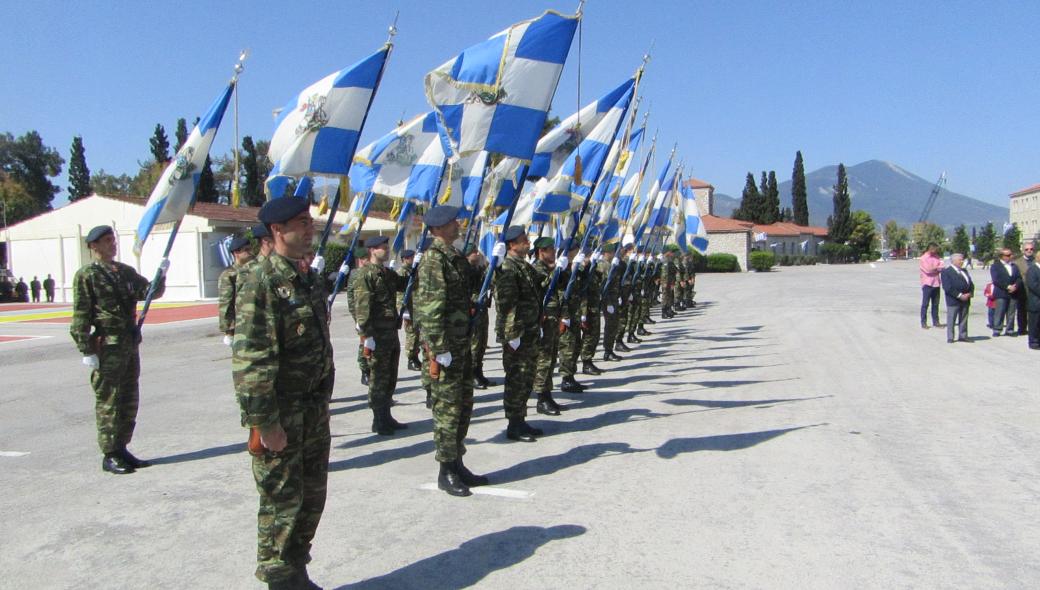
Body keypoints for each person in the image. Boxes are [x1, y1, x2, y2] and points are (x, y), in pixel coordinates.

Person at [232, 197, 334, 590]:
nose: (309, 229)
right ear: (277, 231)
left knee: (311, 499)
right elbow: (251, 361)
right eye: (300, 223)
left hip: (312, 411)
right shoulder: (260, 281)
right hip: (282, 415)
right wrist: (265, 422)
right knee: (280, 505)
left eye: (310, 222)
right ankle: (278, 579)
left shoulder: (305, 277)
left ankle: (296, 571)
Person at [69, 225, 167, 474]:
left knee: (128, 398)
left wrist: (161, 275)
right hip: (107, 346)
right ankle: (109, 453)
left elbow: (148, 293)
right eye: (106, 241)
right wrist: (86, 349)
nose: (113, 244)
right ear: (93, 246)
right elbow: (81, 314)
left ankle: (122, 447)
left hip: (129, 344)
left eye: (113, 239)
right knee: (108, 400)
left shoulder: (125, 272)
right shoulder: (87, 275)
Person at [413, 205, 488, 497]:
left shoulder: (454, 257)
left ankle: (457, 462)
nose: (458, 224)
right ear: (439, 227)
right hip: (446, 349)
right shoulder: (434, 260)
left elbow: (468, 289)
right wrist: (439, 348)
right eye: (452, 221)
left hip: (461, 344)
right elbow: (430, 308)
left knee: (463, 406)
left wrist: (485, 265)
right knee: (447, 410)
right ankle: (446, 470)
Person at [353, 235, 410, 435]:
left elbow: (405, 284)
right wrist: (366, 336)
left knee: (390, 375)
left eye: (386, 247)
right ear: (371, 251)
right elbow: (362, 307)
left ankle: (387, 415)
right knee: (378, 377)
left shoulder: (387, 273)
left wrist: (416, 265)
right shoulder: (365, 275)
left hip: (390, 332)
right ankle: (378, 420)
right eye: (381, 248)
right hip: (376, 334)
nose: (386, 250)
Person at [493, 226, 542, 442]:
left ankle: (521, 419)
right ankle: (513, 424)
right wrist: (512, 333)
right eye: (524, 240)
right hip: (518, 333)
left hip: (529, 330)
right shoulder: (507, 267)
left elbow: (539, 288)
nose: (528, 243)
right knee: (516, 378)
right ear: (512, 244)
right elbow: (506, 303)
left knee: (527, 376)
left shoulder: (523, 266)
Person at [531, 236, 570, 411]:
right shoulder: (536, 269)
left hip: (554, 317)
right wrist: (556, 271)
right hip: (544, 318)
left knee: (552, 356)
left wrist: (566, 268)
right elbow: (543, 286)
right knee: (544, 358)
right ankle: (541, 397)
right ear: (541, 252)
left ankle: (548, 394)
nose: (554, 252)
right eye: (551, 250)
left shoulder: (549, 267)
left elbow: (562, 285)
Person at [466, 244, 496, 389]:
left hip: (481, 309)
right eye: (473, 252)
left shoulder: (478, 268)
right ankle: (471, 374)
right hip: (472, 310)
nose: (477, 254)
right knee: (474, 344)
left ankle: (479, 372)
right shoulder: (465, 271)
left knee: (482, 343)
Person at [218, 235, 254, 344]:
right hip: (240, 325)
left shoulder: (255, 271)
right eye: (246, 250)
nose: (250, 252)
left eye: (250, 249)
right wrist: (229, 329)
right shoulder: (229, 275)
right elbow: (226, 302)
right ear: (236, 253)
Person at [346, 246, 370, 386]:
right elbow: (350, 298)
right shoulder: (355, 274)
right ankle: (364, 370)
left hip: (372, 316)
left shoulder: (370, 272)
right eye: (366, 258)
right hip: (361, 316)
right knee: (364, 344)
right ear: (361, 260)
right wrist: (356, 318)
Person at [579, 246, 606, 375]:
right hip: (587, 308)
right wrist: (583, 313)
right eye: (588, 255)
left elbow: (602, 277)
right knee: (588, 336)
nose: (590, 258)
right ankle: (586, 363)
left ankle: (589, 361)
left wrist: (595, 263)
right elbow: (582, 290)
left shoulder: (592, 269)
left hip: (595, 307)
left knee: (594, 336)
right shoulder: (582, 270)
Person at [396, 249, 422, 371]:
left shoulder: (413, 270)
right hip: (408, 309)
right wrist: (404, 313)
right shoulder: (402, 272)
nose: (413, 259)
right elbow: (401, 295)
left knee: (417, 334)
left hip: (416, 308)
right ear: (405, 259)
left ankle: (415, 357)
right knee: (411, 334)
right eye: (411, 257)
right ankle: (411, 359)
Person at [598, 243, 624, 361]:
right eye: (613, 252)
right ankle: (607, 351)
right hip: (608, 300)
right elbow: (603, 287)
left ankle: (610, 350)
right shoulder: (603, 266)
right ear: (607, 253)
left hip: (613, 299)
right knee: (610, 325)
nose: (615, 254)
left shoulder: (611, 265)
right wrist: (608, 303)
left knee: (614, 325)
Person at [940, 253, 974, 343]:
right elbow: (947, 287)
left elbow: (970, 283)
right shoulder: (946, 272)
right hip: (953, 300)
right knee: (951, 318)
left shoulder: (964, 271)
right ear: (953, 261)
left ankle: (963, 335)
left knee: (963, 318)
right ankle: (950, 337)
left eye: (962, 259)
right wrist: (959, 295)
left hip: (966, 299)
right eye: (960, 260)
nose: (962, 261)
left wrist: (970, 293)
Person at [989, 248, 1022, 337]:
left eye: (1011, 254)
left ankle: (1010, 329)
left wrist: (1015, 286)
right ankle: (997, 329)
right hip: (1001, 292)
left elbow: (1019, 277)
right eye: (1008, 255)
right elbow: (996, 280)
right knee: (1000, 311)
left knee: (1011, 312)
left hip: (1013, 292)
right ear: (1002, 256)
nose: (1010, 256)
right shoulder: (995, 266)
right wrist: (1007, 287)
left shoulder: (1014, 266)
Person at [919, 242, 945, 329]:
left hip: (936, 283)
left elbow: (942, 267)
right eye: (935, 249)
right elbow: (928, 270)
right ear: (930, 248)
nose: (936, 251)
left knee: (936, 304)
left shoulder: (937, 257)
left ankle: (936, 321)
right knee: (925, 304)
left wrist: (936, 268)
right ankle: (923, 322)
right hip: (927, 283)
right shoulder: (924, 258)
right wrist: (936, 269)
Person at [1012, 241, 1035, 336]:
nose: (1029, 251)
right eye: (1027, 249)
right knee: (1022, 311)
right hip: (1022, 291)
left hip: (1035, 291)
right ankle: (1022, 328)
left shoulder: (1037, 260)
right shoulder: (1017, 262)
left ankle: (1034, 329)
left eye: (1031, 249)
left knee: (1034, 311)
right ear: (1023, 250)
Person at [1024, 251, 1040, 350]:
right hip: (1036, 302)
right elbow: (1033, 285)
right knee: (1034, 323)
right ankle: (1033, 342)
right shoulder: (1032, 270)